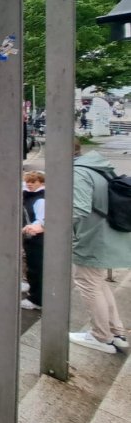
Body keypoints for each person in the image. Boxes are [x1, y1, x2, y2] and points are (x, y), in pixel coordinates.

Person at [69, 141, 130, 353]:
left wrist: (45, 225)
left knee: (88, 285)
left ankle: (101, 336)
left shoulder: (78, 173)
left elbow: (77, 209)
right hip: (106, 236)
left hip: (94, 239)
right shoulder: (97, 167)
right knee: (98, 283)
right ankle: (116, 332)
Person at [21, 171, 46, 311]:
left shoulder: (40, 199)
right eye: (28, 181)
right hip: (33, 237)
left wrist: (30, 228)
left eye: (33, 181)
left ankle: (37, 299)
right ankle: (33, 289)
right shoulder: (33, 195)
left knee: (36, 268)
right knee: (33, 266)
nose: (29, 184)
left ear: (41, 183)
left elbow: (40, 220)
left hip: (36, 238)